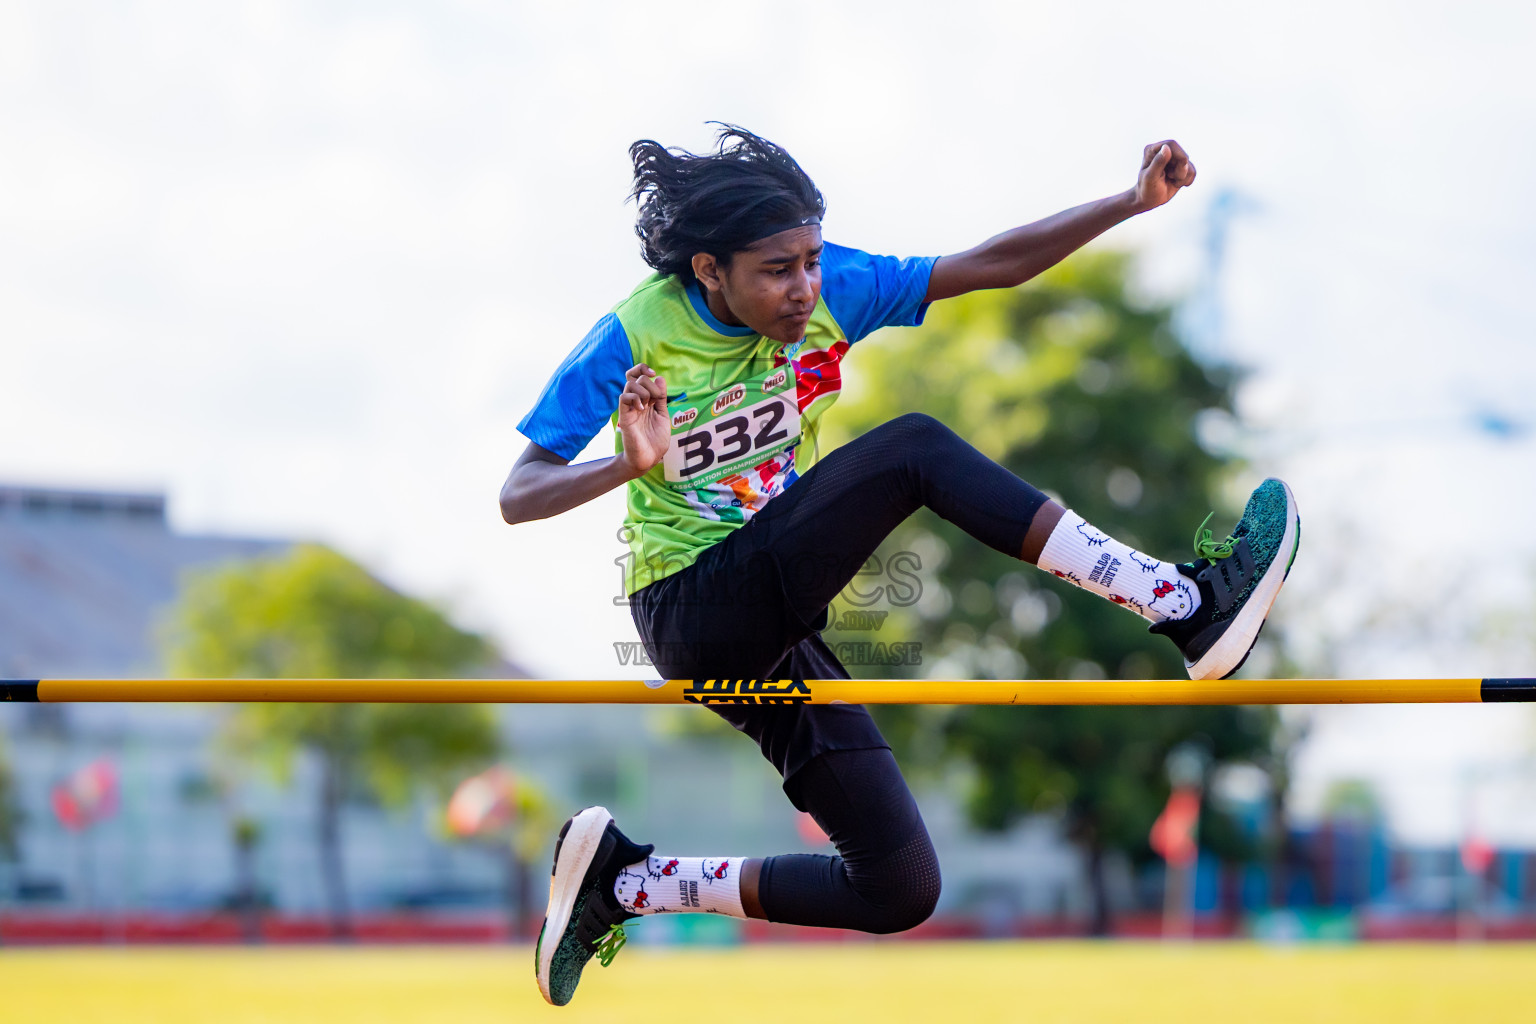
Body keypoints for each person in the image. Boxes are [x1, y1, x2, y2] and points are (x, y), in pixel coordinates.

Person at [501, 125, 1299, 1006]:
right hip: (692, 608)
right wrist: (626, 464)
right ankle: (1181, 602)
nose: (804, 287)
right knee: (912, 447)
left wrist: (1127, 203)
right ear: (707, 270)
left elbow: (989, 264)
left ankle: (626, 884)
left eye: (810, 258)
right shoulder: (633, 335)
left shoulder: (833, 288)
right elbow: (520, 490)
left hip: (772, 623)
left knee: (897, 884)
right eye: (777, 269)